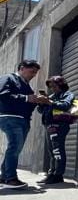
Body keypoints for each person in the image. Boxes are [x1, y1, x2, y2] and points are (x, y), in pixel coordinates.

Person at [0, 59, 49, 189]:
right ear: (22, 68)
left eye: (35, 73)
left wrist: (38, 101)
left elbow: (28, 105)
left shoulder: (27, 86)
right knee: (15, 147)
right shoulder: (9, 78)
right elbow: (3, 95)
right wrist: (27, 98)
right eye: (31, 71)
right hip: (10, 117)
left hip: (23, 120)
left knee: (15, 148)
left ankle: (4, 176)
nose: (33, 75)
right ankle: (10, 178)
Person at [37, 75, 77, 185]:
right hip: (49, 125)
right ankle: (52, 174)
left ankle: (58, 174)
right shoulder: (52, 96)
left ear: (61, 84)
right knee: (52, 150)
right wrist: (41, 103)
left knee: (57, 150)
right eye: (50, 86)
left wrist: (49, 102)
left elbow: (65, 105)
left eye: (54, 86)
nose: (52, 88)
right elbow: (41, 110)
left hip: (59, 125)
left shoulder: (68, 94)